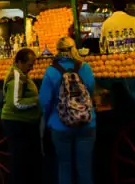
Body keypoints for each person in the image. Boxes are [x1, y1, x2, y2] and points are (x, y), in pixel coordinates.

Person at [39, 37, 96, 184]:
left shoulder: (51, 71)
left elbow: (44, 101)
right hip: (86, 123)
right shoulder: (85, 67)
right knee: (85, 168)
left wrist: (47, 118)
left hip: (60, 125)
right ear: (74, 48)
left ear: (57, 50)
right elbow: (90, 90)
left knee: (64, 167)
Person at [1, 48, 42, 183]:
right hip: (17, 123)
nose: (32, 67)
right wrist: (37, 101)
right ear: (19, 62)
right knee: (20, 161)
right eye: (30, 64)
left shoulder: (21, 74)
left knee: (24, 160)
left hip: (23, 123)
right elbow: (16, 103)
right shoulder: (16, 77)